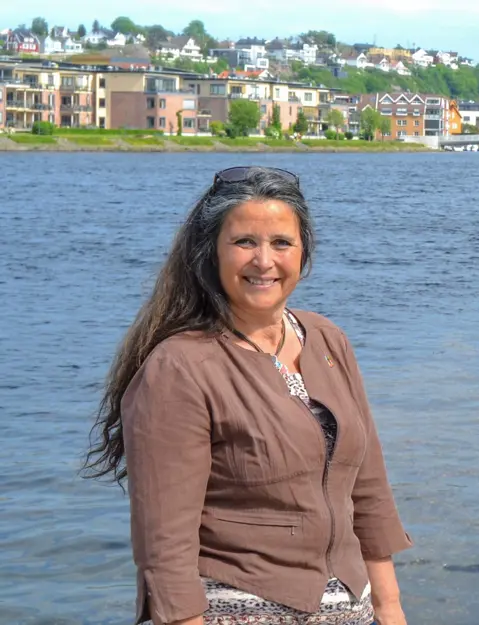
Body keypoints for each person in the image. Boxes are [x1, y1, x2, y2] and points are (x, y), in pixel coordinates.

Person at [82, 166, 414, 625]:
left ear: (303, 252)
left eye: (281, 243)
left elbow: (369, 491)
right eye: (244, 243)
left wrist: (390, 608)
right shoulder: (180, 368)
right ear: (210, 254)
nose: (264, 261)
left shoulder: (326, 339)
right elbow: (165, 549)